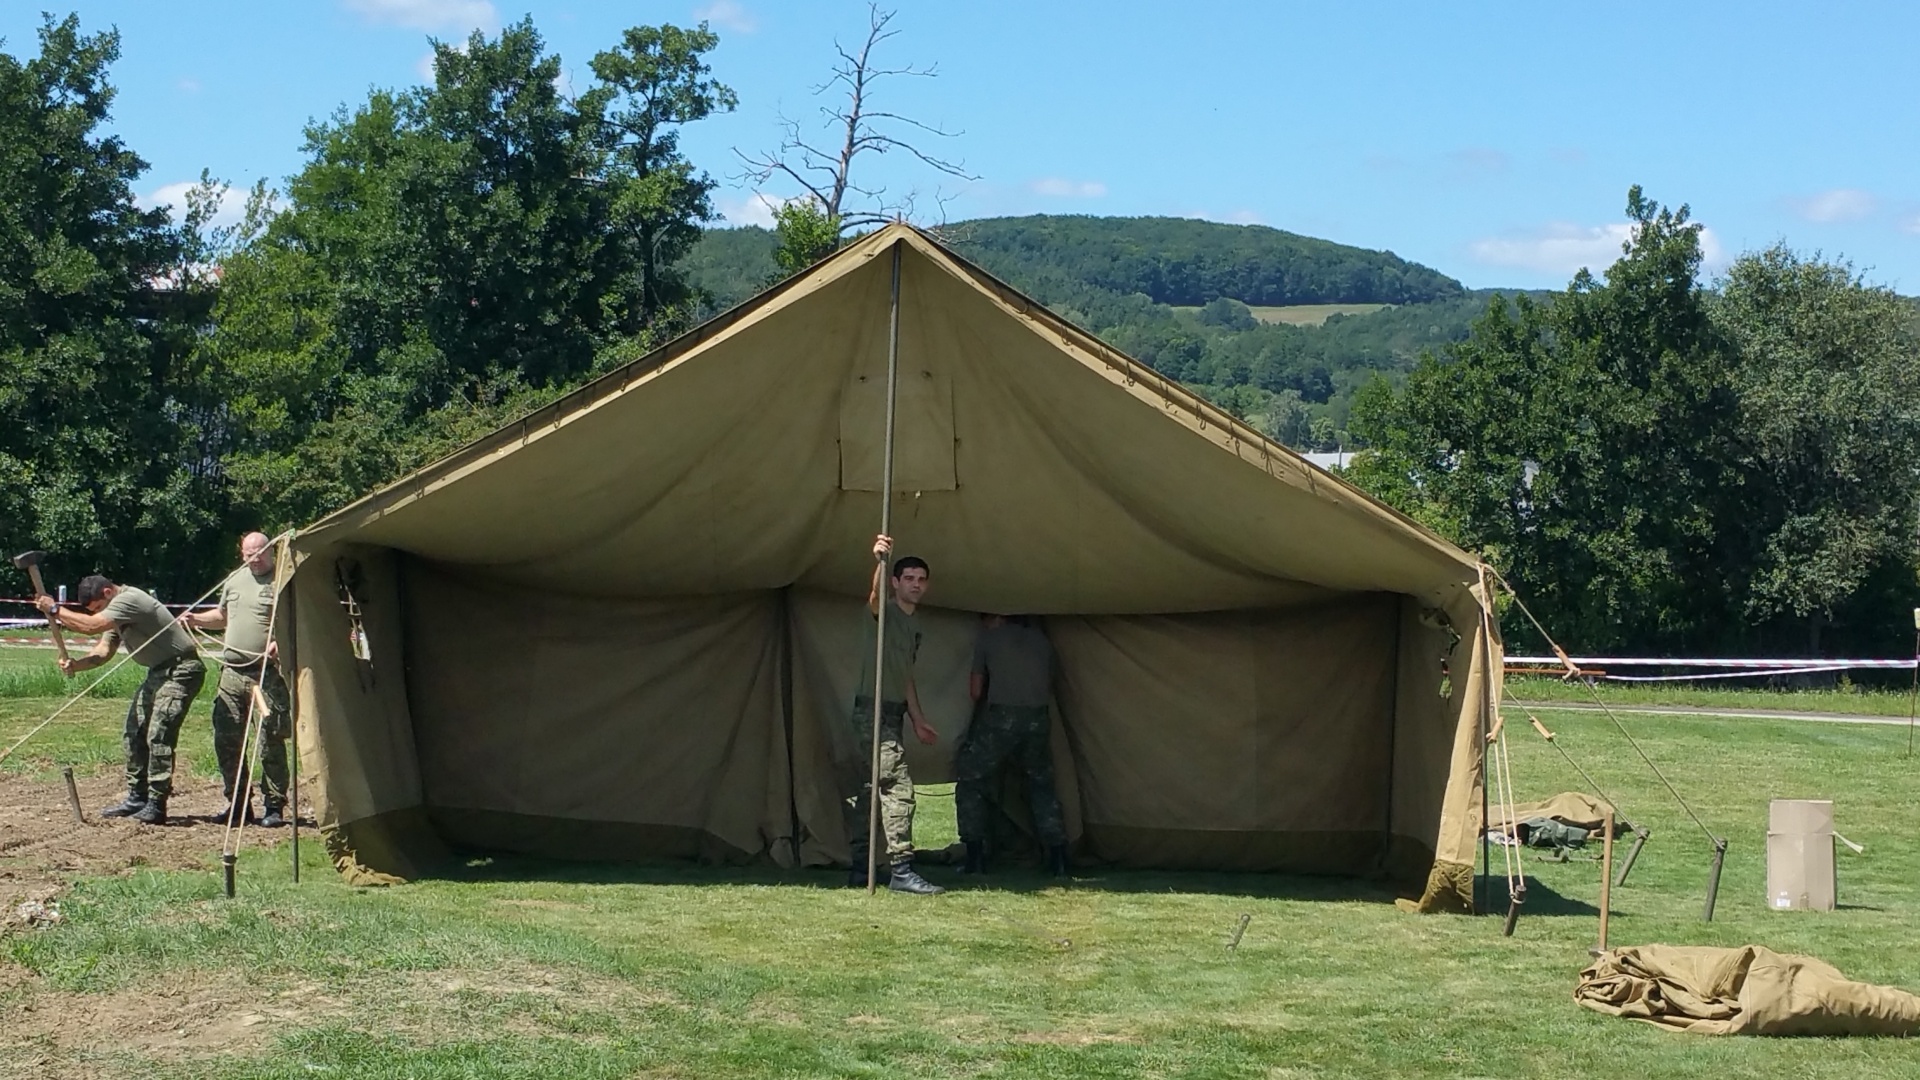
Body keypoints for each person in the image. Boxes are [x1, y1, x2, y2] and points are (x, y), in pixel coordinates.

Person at [38, 575, 205, 825]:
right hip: (158, 672)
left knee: (159, 734)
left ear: (107, 592)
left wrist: (54, 609)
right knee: (134, 731)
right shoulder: (114, 611)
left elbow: (91, 626)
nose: (99, 612)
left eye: (99, 607)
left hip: (181, 670)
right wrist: (77, 665)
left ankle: (157, 804)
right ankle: (138, 797)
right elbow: (103, 651)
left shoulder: (129, 599)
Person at [845, 533, 944, 895]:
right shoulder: (884, 613)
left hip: (892, 712)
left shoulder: (914, 626)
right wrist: (880, 560)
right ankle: (901, 869)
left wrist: (917, 718)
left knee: (870, 791)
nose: (916, 585)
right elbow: (874, 598)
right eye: (909, 579)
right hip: (872, 711)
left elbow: (905, 676)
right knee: (897, 786)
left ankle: (861, 867)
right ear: (895, 583)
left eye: (921, 580)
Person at [182, 532, 291, 828]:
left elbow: (296, 621)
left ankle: (274, 805)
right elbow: (222, 616)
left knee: (269, 739)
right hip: (231, 673)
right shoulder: (234, 580)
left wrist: (280, 642)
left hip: (266, 674)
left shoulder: (283, 580)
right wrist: (196, 619)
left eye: (260, 552)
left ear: (271, 551)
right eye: (248, 554)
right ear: (241, 554)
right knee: (227, 739)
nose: (255, 559)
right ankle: (238, 804)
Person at [956, 614, 1070, 877]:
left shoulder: (988, 639)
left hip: (1000, 719)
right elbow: (1048, 684)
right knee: (1042, 786)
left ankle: (975, 858)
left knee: (971, 779)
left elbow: (975, 691)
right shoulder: (1043, 642)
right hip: (1038, 720)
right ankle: (1059, 859)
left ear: (997, 616)